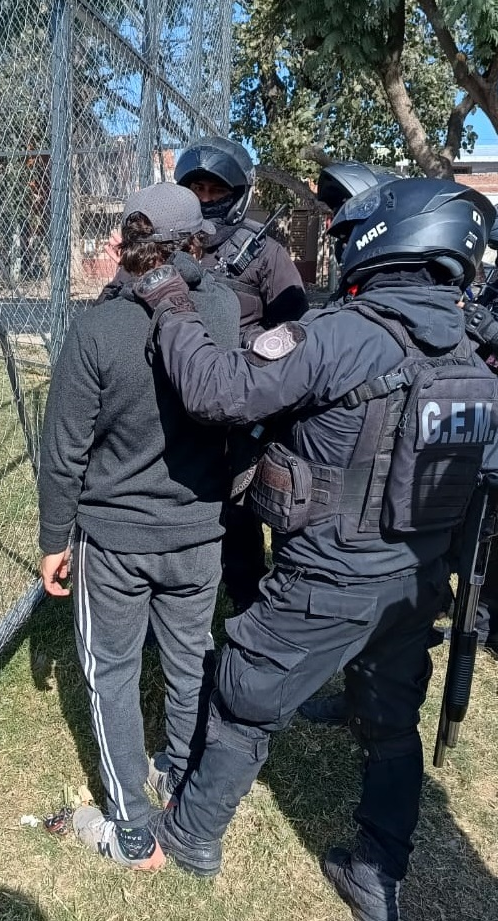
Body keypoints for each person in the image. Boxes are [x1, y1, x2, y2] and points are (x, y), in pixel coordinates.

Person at [130, 178, 497, 920]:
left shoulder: (341, 335)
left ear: (382, 242)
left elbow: (218, 390)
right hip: (415, 584)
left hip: (328, 579)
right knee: (392, 724)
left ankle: (191, 835)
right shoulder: (470, 353)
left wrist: (169, 301)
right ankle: (377, 872)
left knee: (241, 698)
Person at [37, 182, 242, 870]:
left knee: (112, 672)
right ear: (195, 242)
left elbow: (64, 450)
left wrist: (53, 539)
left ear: (128, 244)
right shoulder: (222, 310)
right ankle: (181, 777)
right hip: (198, 535)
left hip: (115, 541)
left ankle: (131, 827)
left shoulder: (97, 328)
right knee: (190, 659)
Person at [299, 164, 498, 729]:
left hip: (436, 499)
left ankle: (381, 713)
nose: (340, 243)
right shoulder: (351, 313)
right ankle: (360, 702)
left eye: (347, 232)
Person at [175, 136, 309, 614]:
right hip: (178, 394)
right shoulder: (170, 245)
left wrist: (254, 354)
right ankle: (171, 592)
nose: (207, 198)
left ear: (238, 193)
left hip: (240, 403)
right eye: (198, 190)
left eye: (217, 190)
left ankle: (246, 597)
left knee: (240, 508)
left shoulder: (266, 253)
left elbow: (296, 327)